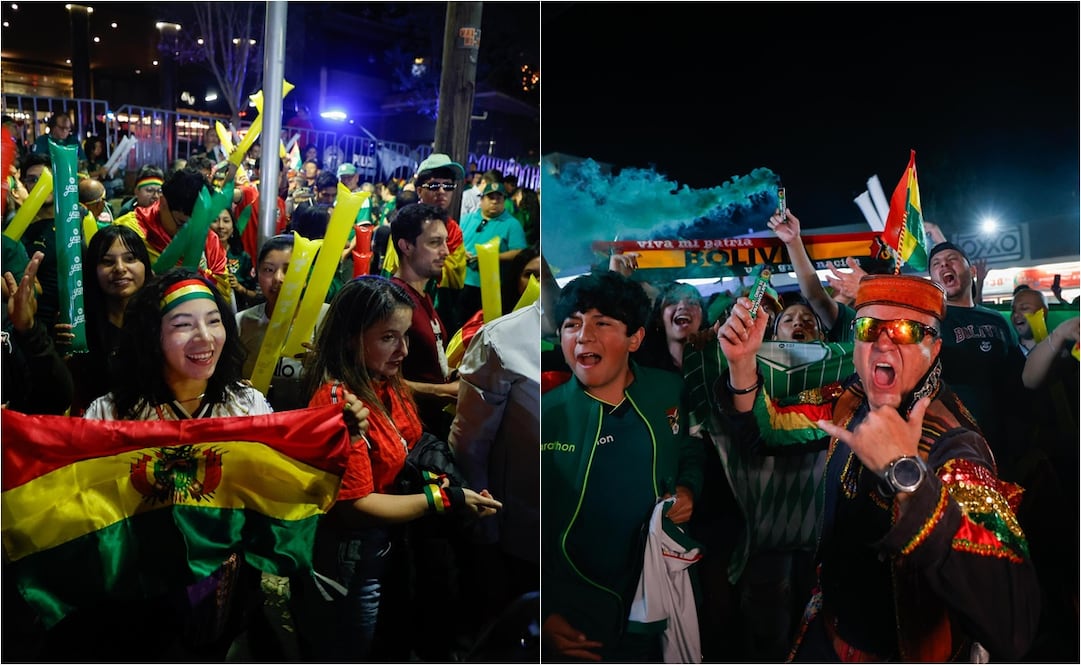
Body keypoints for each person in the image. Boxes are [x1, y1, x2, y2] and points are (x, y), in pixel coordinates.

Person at [715, 273, 1039, 661]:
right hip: (828, 631)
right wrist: (742, 363)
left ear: (933, 349)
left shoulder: (953, 444)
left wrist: (906, 473)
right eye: (868, 327)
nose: (883, 341)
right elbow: (770, 430)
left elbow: (1013, 619)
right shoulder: (850, 399)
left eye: (904, 330)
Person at [296, 275, 502, 662]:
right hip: (352, 559)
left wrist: (454, 484)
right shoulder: (339, 404)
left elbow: (413, 440)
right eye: (388, 337)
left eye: (405, 336)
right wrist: (444, 498)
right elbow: (356, 507)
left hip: (388, 546)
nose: (404, 350)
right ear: (349, 337)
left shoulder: (383, 381)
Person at [541, 270, 704, 662]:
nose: (583, 336)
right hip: (581, 619)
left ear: (635, 338)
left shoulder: (668, 390)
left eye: (602, 323)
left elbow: (691, 451)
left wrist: (688, 489)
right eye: (572, 324)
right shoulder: (545, 414)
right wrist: (544, 611)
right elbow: (522, 525)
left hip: (662, 597)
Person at [926, 241, 1027, 481]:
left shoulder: (998, 320)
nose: (944, 265)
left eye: (952, 259)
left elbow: (1018, 376)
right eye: (937, 264)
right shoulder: (931, 322)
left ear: (971, 271)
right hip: (956, 448)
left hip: (1007, 445)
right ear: (932, 279)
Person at [65, 224, 152, 415]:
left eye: (130, 259)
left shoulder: (163, 322)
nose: (120, 269)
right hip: (98, 432)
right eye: (107, 261)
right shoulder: (78, 329)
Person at [236, 233, 327, 412]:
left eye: (290, 270)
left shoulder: (327, 318)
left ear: (306, 277)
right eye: (269, 270)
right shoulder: (242, 322)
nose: (278, 278)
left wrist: (323, 367)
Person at [389, 202, 457, 439]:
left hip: (430, 428)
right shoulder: (393, 302)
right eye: (434, 243)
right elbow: (376, 381)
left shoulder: (424, 296)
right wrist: (440, 391)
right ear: (406, 246)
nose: (446, 251)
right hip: (408, 432)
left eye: (445, 242)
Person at [115, 166, 231, 303]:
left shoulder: (209, 239)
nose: (191, 235)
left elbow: (224, 294)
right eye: (182, 224)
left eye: (199, 225)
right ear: (163, 203)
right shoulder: (129, 233)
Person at [459, 181, 527, 321]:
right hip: (462, 282)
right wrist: (461, 252)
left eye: (499, 198)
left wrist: (489, 257)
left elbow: (519, 252)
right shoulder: (467, 219)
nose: (495, 202)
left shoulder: (512, 224)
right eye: (491, 198)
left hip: (491, 287)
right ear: (482, 199)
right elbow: (455, 241)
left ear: (504, 201)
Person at [210, 207, 259, 312]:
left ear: (233, 227)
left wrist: (240, 288)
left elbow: (256, 295)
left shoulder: (242, 257)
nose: (221, 226)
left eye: (226, 221)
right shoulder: (202, 257)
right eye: (215, 220)